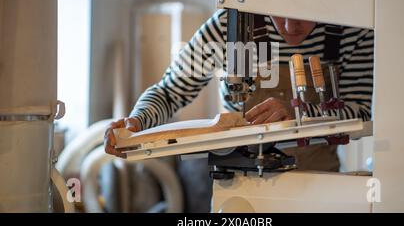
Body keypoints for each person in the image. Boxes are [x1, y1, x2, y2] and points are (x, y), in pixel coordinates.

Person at [104, 9, 374, 171]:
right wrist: (138, 121)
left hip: (320, 185)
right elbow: (169, 91)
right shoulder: (232, 27)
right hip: (240, 183)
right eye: (279, 11)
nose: (291, 27)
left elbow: (360, 115)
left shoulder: (350, 31)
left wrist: (299, 113)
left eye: (305, 13)